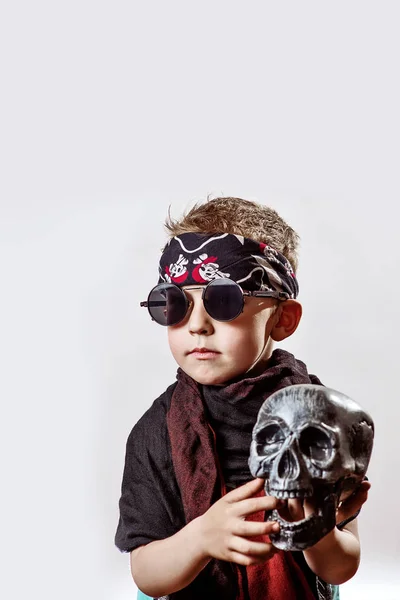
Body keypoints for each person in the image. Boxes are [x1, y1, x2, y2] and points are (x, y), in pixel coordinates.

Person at [115, 197, 370, 600]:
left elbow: (340, 567)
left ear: (282, 319)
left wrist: (317, 530)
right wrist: (200, 538)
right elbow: (147, 575)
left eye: (223, 301)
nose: (196, 325)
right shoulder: (156, 432)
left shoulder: (320, 419)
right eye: (175, 304)